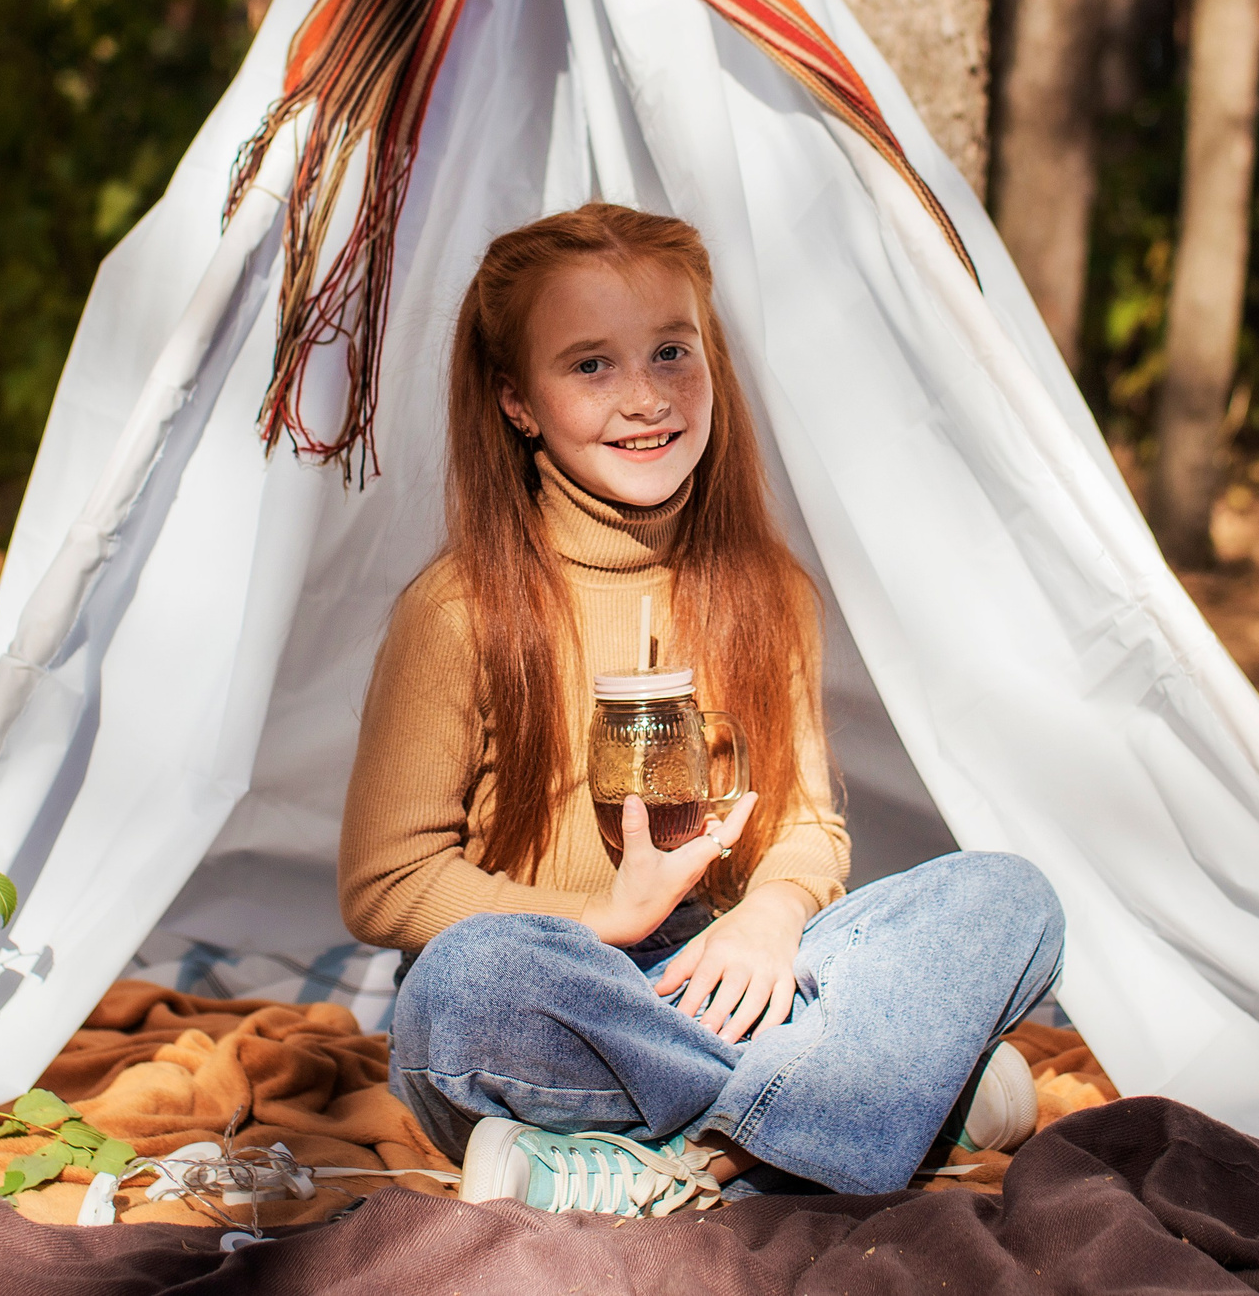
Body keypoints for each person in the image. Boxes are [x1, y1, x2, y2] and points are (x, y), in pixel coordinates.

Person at [339, 202, 1066, 1216]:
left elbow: (806, 827)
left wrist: (768, 917)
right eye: (589, 365)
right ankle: (884, 1097)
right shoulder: (459, 611)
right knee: (461, 991)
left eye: (671, 351)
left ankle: (687, 1160)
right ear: (516, 402)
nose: (643, 398)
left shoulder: (767, 593)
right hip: (561, 984)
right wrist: (603, 918)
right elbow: (387, 884)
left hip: (722, 977)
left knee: (1006, 898)